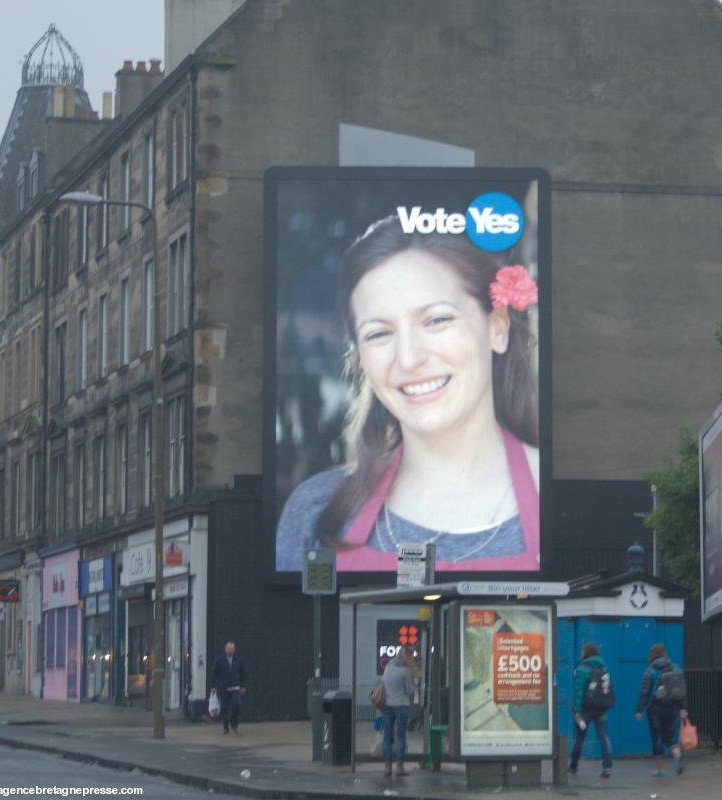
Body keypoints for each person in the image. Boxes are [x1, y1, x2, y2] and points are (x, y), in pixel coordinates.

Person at [276, 218, 540, 571]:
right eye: (379, 334)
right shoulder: (314, 512)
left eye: (436, 320)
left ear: (498, 328)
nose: (409, 358)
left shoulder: (557, 498)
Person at [635, 643, 688, 777]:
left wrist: (639, 710)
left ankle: (660, 769)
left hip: (655, 709)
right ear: (665, 654)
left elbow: (644, 692)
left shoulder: (650, 670)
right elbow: (681, 690)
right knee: (670, 738)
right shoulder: (676, 668)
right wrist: (683, 708)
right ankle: (678, 755)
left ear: (651, 655)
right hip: (674, 707)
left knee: (657, 738)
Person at [569, 642, 613, 779]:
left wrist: (576, 710)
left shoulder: (582, 669)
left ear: (585, 653)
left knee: (579, 739)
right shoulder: (604, 668)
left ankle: (573, 767)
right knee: (603, 737)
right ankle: (607, 767)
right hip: (601, 708)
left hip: (585, 709)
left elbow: (578, 692)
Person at [377, 648, 416, 777]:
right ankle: (399, 767)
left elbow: (382, 684)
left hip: (388, 706)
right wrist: (415, 685)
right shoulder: (405, 671)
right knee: (400, 737)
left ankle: (387, 767)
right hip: (401, 706)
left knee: (387, 737)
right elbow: (409, 691)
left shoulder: (388, 668)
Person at [210, 641, 246, 735]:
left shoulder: (238, 660)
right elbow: (214, 673)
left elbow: (242, 674)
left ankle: (234, 724)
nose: (230, 650)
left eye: (232, 649)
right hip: (223, 688)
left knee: (237, 705)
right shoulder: (219, 660)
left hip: (235, 687)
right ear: (225, 649)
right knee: (224, 708)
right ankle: (226, 727)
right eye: (229, 648)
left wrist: (242, 686)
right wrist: (213, 686)